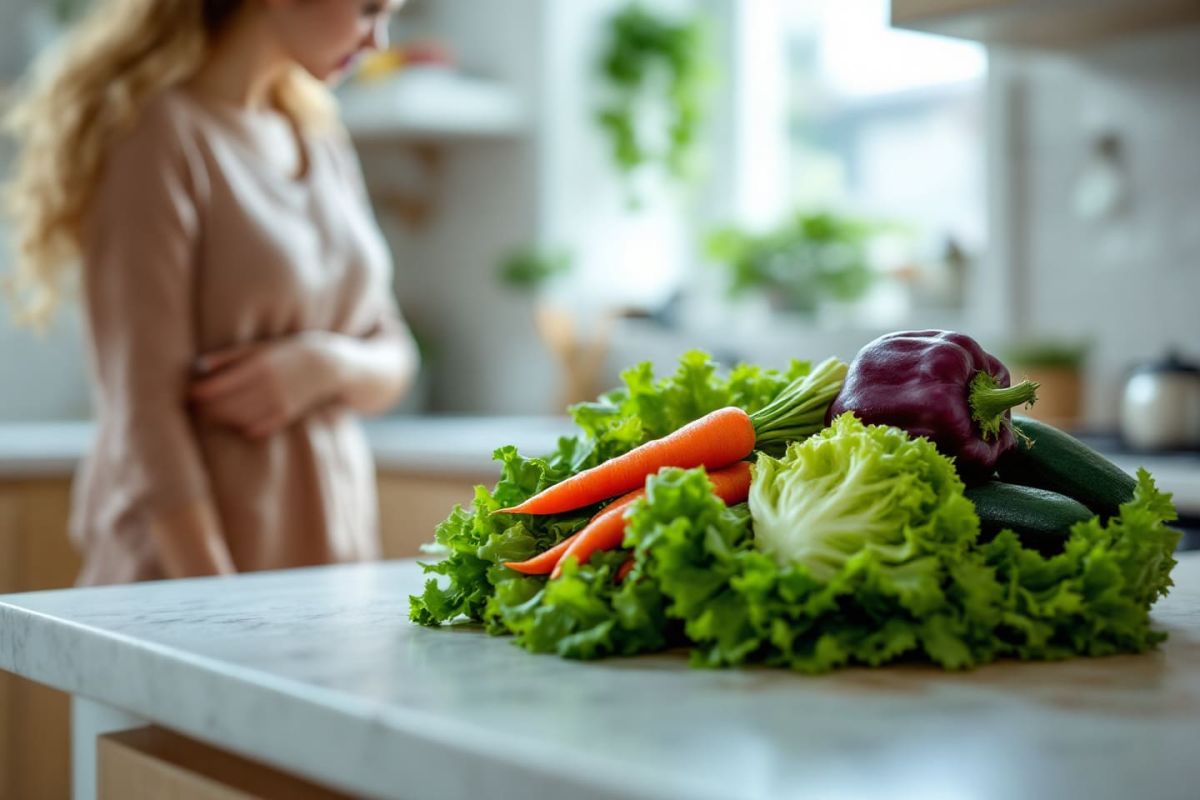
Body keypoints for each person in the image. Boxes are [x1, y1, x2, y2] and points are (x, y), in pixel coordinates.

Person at [3, 0, 419, 584]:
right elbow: (142, 415)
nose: (378, 40)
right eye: (368, 9)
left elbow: (395, 356)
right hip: (187, 578)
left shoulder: (318, 134)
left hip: (325, 562)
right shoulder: (156, 134)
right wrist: (216, 604)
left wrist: (323, 366)